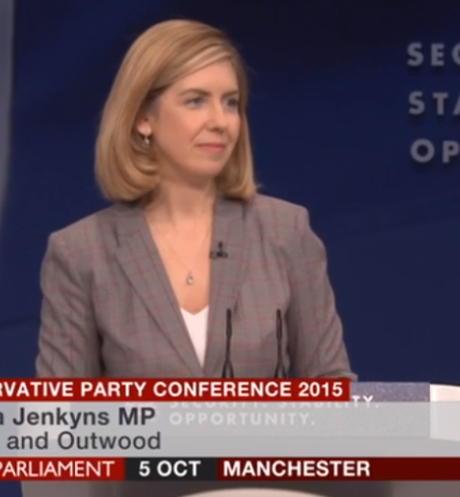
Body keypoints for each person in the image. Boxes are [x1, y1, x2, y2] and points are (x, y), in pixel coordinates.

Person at [33, 19, 356, 384]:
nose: (221, 121)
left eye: (230, 103)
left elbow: (333, 385)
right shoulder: (80, 253)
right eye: (196, 101)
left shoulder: (285, 231)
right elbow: (57, 411)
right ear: (143, 118)